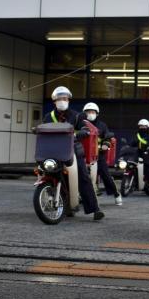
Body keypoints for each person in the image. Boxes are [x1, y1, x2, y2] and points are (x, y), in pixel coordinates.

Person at [44, 87, 104, 221]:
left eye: (64, 99)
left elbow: (84, 127)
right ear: (54, 101)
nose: (62, 101)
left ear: (69, 100)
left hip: (73, 149)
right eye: (59, 99)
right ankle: (61, 203)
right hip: (53, 150)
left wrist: (83, 131)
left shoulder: (77, 115)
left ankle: (95, 209)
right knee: (47, 171)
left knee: (83, 176)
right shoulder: (48, 117)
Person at [83, 102, 122, 206]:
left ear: (97, 113)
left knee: (105, 174)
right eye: (88, 112)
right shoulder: (81, 124)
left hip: (98, 154)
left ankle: (116, 194)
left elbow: (108, 136)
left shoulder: (102, 125)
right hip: (82, 154)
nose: (90, 114)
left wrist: (105, 144)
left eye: (92, 112)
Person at [132, 119, 149, 193]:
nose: (142, 128)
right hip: (139, 153)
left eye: (144, 126)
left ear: (147, 126)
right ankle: (133, 180)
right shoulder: (137, 134)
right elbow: (132, 143)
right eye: (140, 126)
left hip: (148, 153)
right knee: (131, 162)